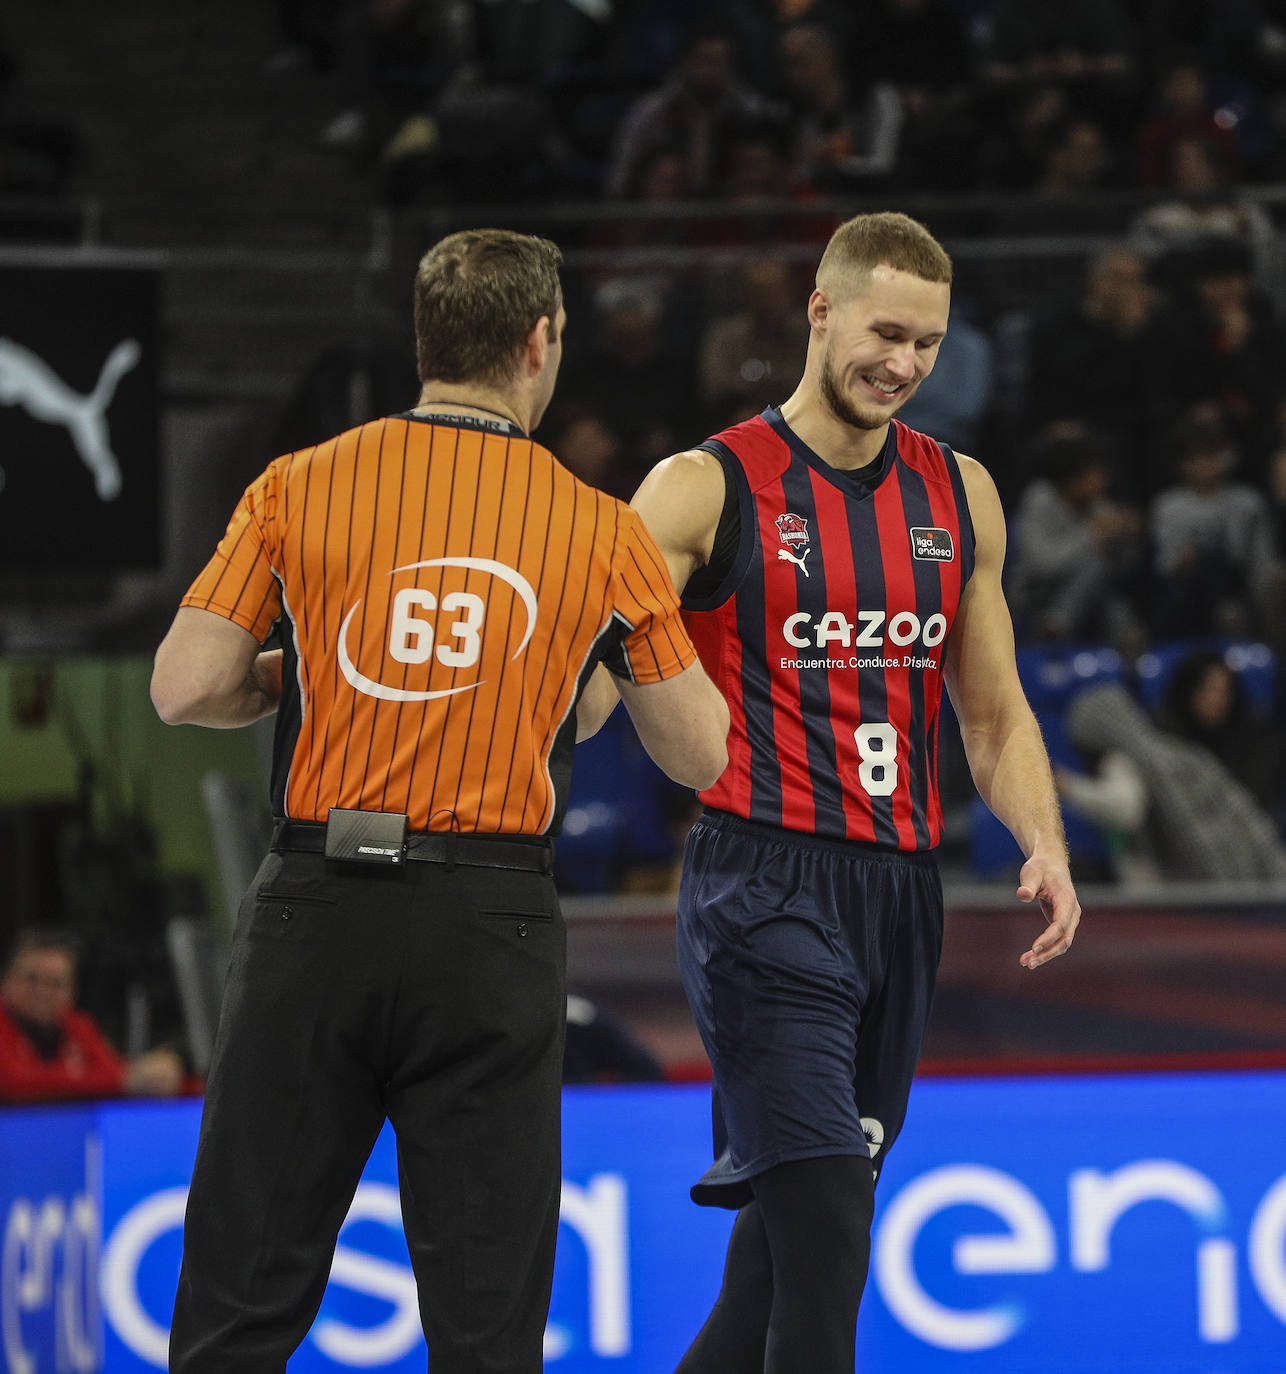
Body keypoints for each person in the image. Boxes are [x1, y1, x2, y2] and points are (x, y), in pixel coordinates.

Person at [149, 227, 729, 1374]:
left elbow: (183, 687)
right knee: (484, 1321)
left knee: (237, 1307)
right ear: (539, 341)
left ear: (425, 340)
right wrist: (562, 674)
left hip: (313, 907)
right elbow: (698, 753)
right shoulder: (602, 529)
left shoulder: (295, 484)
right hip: (486, 927)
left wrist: (294, 677)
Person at [626, 212, 1081, 1372]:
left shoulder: (958, 493)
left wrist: (1042, 841)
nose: (904, 363)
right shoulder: (699, 486)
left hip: (896, 898)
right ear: (819, 311)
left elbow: (991, 712)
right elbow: (589, 660)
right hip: (759, 887)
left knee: (769, 1280)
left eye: (926, 343)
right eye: (885, 333)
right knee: (828, 1237)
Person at [0, 927, 184, 1104]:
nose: (43, 992)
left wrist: (157, 1077)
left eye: (56, 983)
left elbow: (115, 1072)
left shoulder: (78, 1026)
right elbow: (14, 1083)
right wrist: (123, 1080)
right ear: (6, 980)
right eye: (31, 980)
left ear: (72, 990)